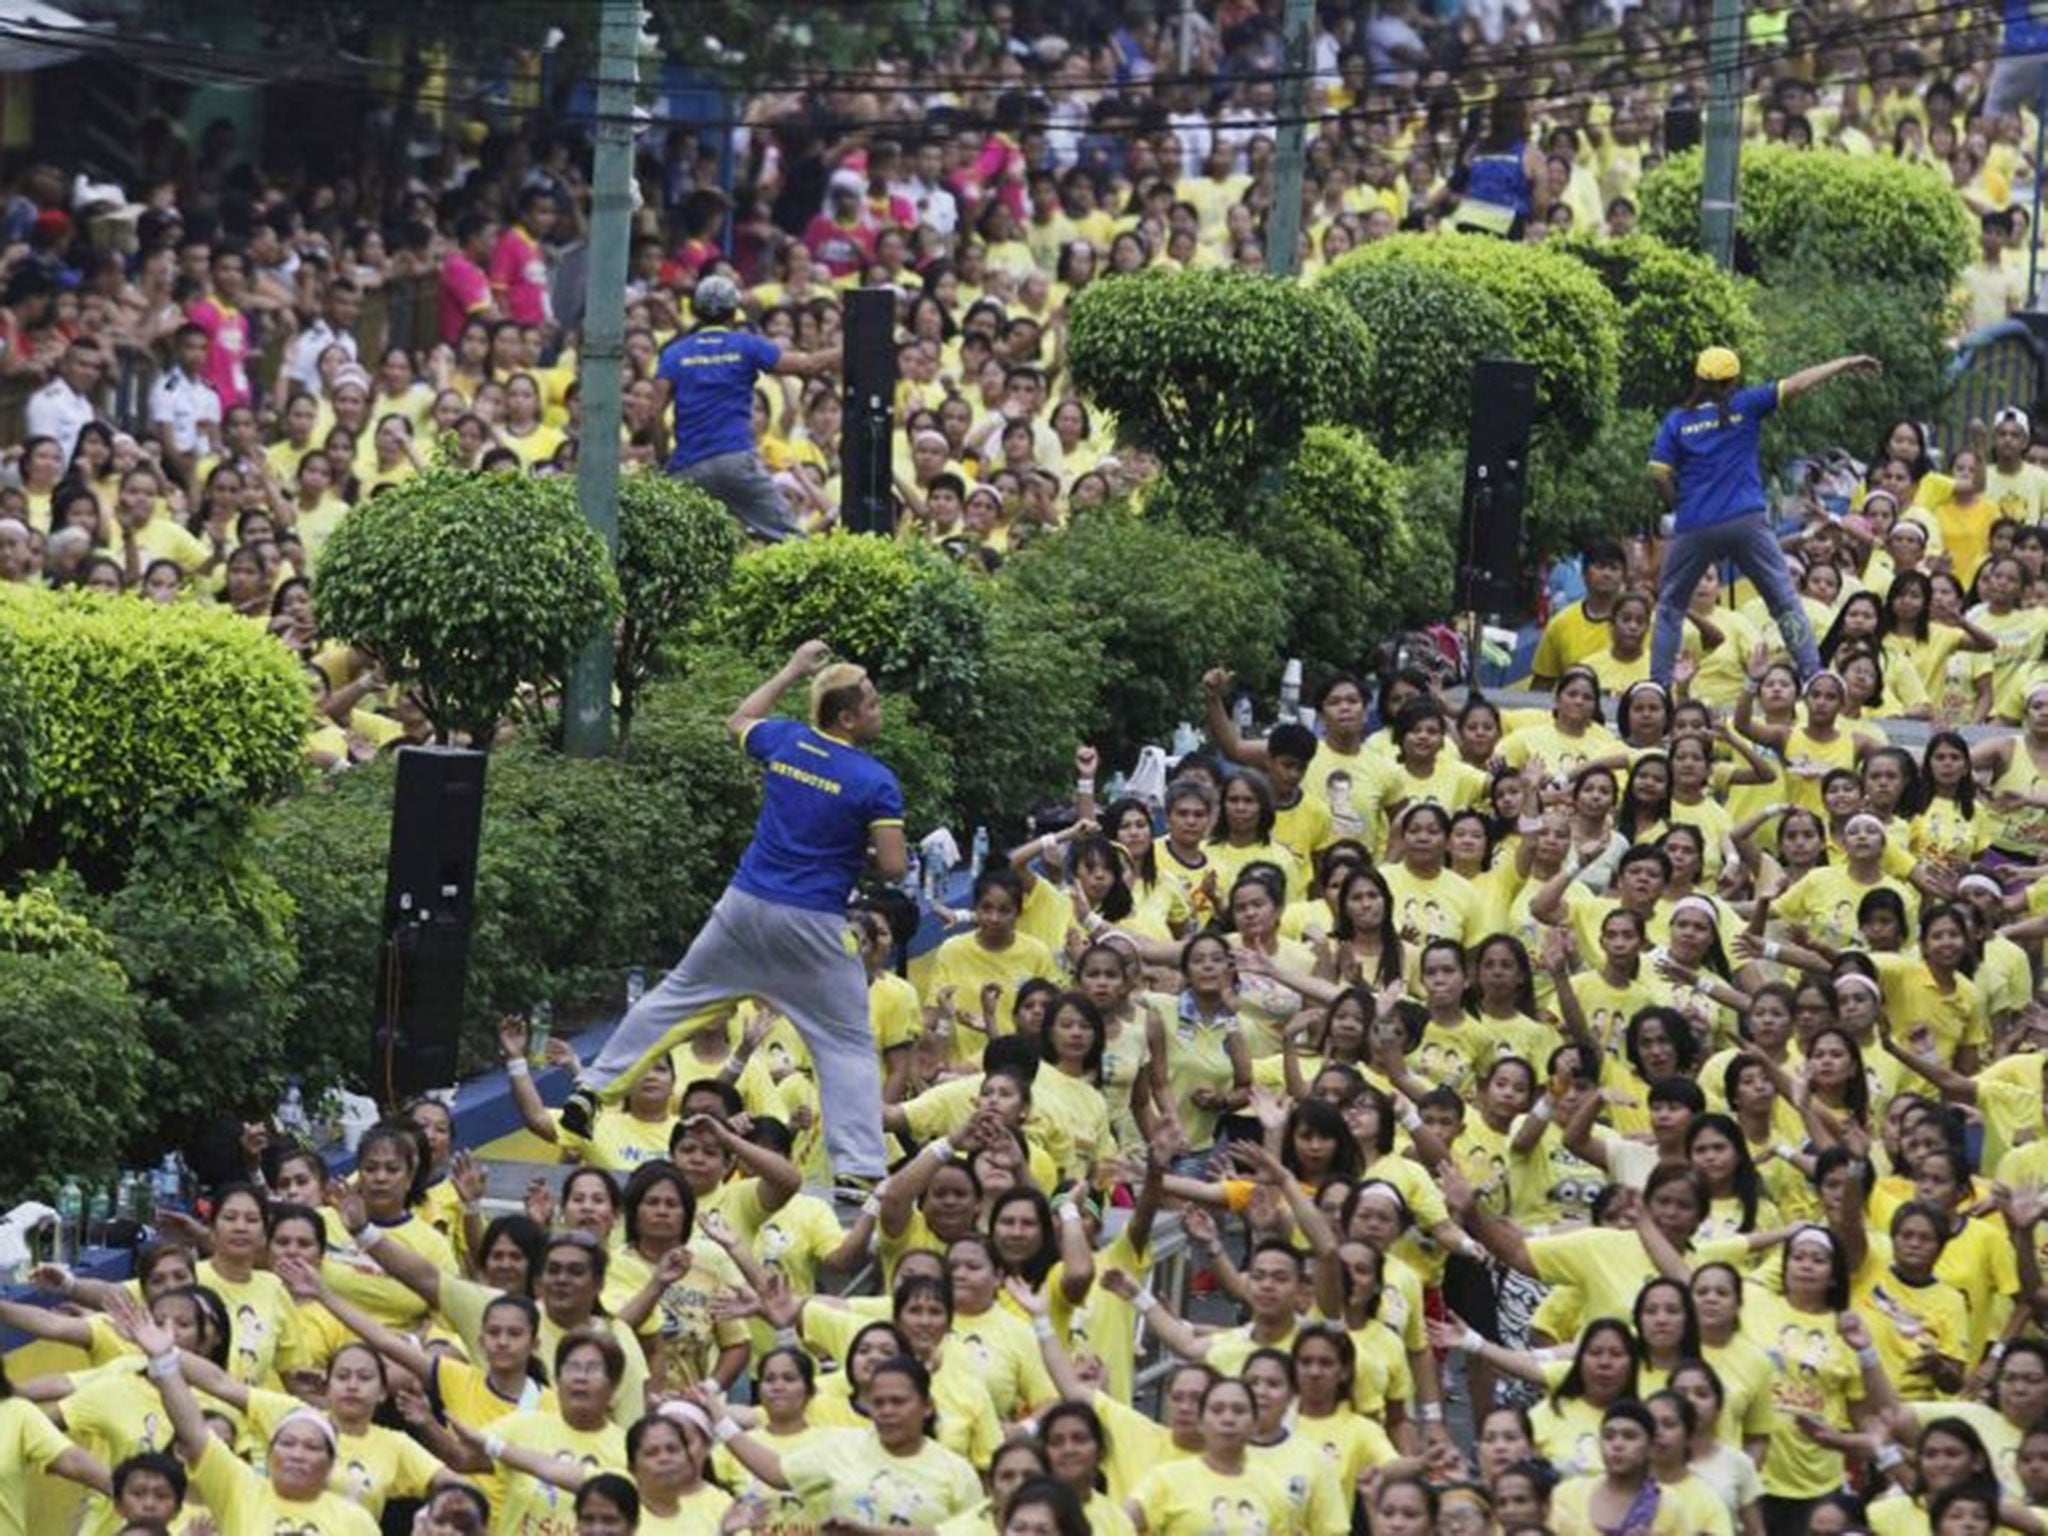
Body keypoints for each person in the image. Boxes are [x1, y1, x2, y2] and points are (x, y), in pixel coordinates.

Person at [560, 640, 905, 1197]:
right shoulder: (875, 780)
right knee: (845, 1045)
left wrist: (793, 669)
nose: (877, 707)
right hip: (813, 924)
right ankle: (859, 1169)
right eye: (869, 702)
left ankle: (592, 1089)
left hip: (743, 905)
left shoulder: (786, 740)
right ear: (846, 717)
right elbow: (891, 868)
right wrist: (861, 850)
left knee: (673, 998)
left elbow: (740, 718)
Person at [1648, 346, 1883, 687]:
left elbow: (1658, 472)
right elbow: (1800, 383)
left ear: (1697, 379)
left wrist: (1678, 504)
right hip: (1746, 519)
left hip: (1695, 523)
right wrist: (1845, 363)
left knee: (1670, 605)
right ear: (1733, 382)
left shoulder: (1678, 422)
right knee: (1783, 599)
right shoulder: (1746, 404)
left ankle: (1658, 683)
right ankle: (1812, 672)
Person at [654, 274, 837, 542]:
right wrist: (854, 346)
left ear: (695, 311)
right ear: (733, 312)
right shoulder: (746, 346)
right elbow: (807, 365)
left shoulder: (674, 354)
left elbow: (653, 414)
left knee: (672, 546)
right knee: (792, 541)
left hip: (688, 465)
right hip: (736, 461)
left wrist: (663, 454)